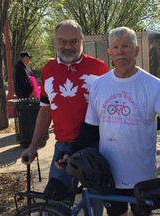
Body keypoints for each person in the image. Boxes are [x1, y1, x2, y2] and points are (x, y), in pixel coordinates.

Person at [56, 26, 160, 216]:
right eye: (115, 47)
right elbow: (90, 127)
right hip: (108, 174)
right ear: (109, 53)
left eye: (126, 46)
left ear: (136, 50)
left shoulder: (153, 85)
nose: (120, 51)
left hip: (142, 175)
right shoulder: (99, 85)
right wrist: (71, 151)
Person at [20, 19, 109, 215]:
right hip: (63, 148)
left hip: (94, 147)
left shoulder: (100, 68)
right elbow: (45, 110)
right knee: (54, 205)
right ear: (55, 41)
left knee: (94, 208)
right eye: (62, 41)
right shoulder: (48, 69)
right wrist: (33, 146)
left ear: (82, 40)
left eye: (73, 41)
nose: (68, 46)